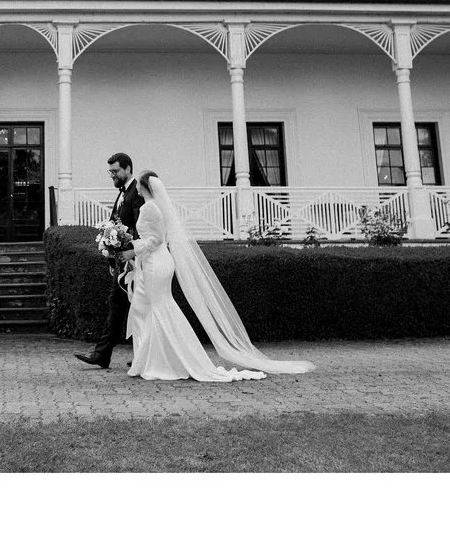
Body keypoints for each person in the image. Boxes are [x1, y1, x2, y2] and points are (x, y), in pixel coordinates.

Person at [121, 169, 314, 382]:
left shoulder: (150, 208)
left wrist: (133, 250)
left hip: (156, 263)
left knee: (159, 309)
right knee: (156, 308)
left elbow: (156, 239)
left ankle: (168, 361)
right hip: (156, 262)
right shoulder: (157, 206)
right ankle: (157, 358)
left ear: (144, 186)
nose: (136, 187)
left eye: (138, 183)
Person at [75, 152, 210, 369]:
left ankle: (117, 354)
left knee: (137, 306)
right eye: (109, 171)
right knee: (134, 306)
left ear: (128, 168)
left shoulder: (139, 195)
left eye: (115, 171)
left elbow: (144, 233)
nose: (112, 175)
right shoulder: (123, 194)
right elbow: (121, 227)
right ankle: (137, 353)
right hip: (134, 259)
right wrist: (112, 254)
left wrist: (130, 255)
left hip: (142, 260)